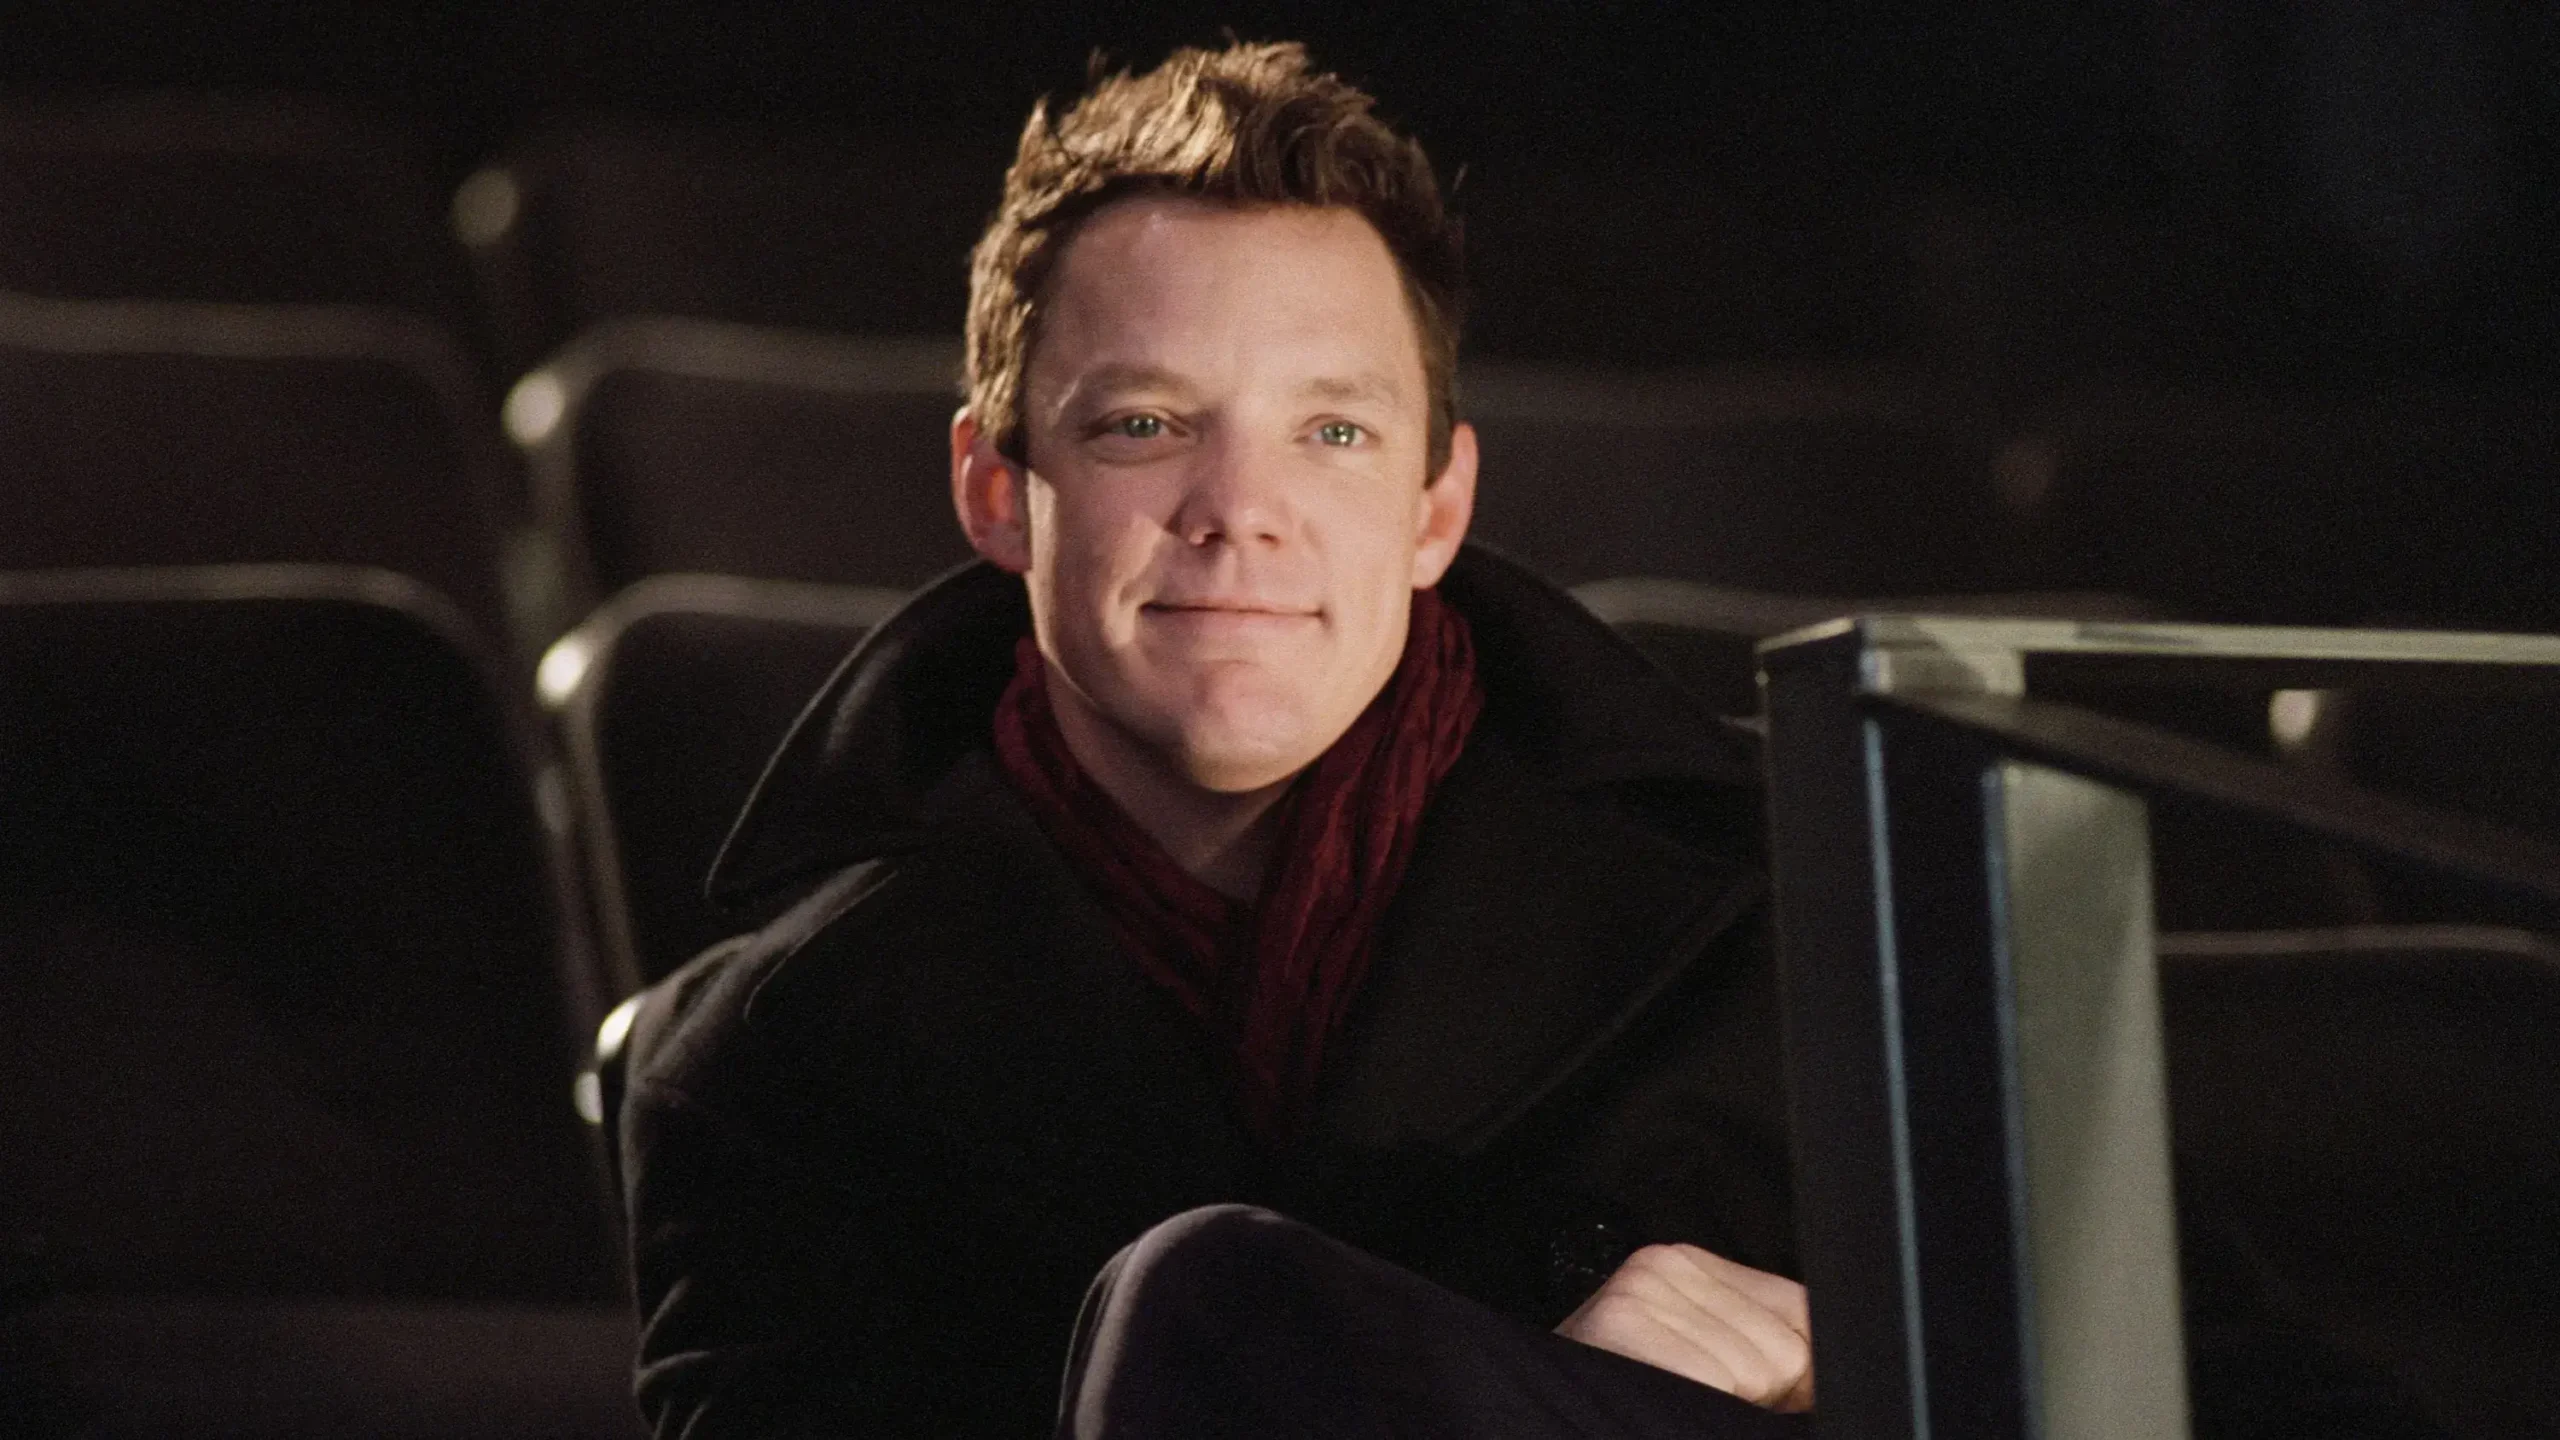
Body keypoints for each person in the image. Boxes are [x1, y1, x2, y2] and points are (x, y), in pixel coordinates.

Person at [616, 40, 2445, 1440]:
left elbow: (2245, 1401)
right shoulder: (768, 1069)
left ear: (1438, 506)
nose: (1240, 511)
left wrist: (1851, 1378)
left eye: (1333, 432)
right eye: (1145, 425)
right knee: (1208, 1300)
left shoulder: (1823, 923)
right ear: (995, 491)